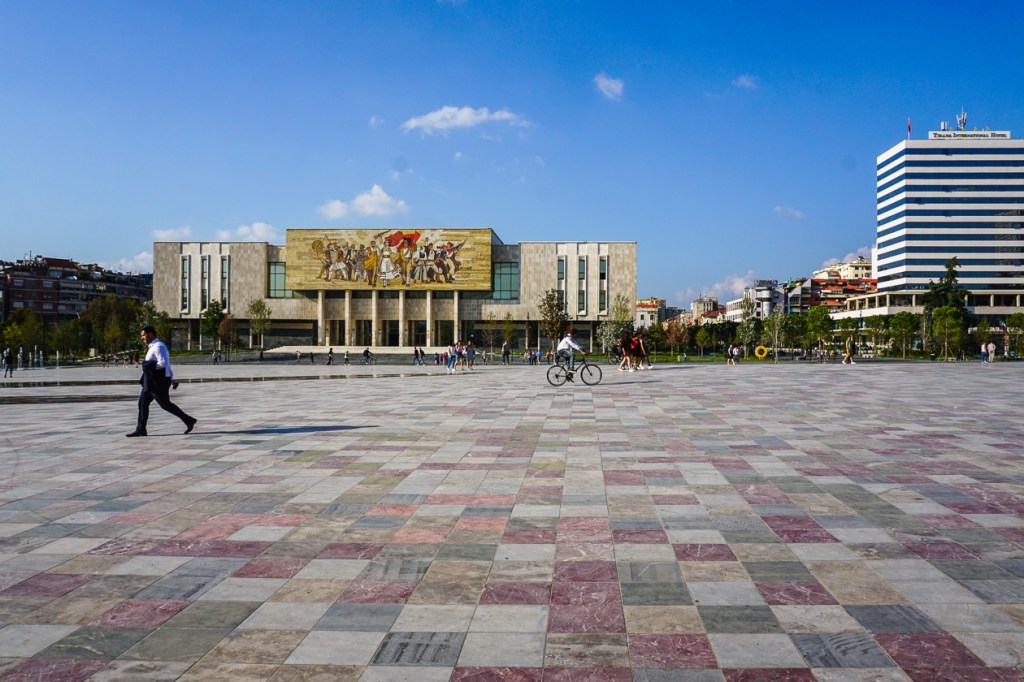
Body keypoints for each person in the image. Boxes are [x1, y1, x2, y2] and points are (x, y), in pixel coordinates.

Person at [127, 325, 196, 437]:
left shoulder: (159, 346)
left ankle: (188, 420)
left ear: (150, 334)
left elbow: (164, 363)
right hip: (150, 380)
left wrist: (149, 367)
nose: (142, 338)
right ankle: (141, 429)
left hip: (158, 382)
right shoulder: (153, 347)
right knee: (142, 403)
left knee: (165, 404)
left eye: (143, 335)